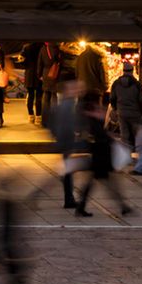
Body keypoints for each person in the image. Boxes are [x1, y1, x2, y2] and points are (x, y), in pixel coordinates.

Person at [75, 91, 130, 218]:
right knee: (107, 182)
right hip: (101, 152)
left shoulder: (90, 114)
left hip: (100, 152)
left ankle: (123, 206)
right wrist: (113, 141)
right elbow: (100, 134)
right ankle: (123, 206)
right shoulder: (92, 115)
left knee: (100, 182)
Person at [48, 79, 80, 209]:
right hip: (66, 142)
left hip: (64, 141)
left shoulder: (63, 105)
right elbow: (66, 125)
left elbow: (51, 122)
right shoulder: (68, 106)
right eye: (74, 89)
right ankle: (69, 199)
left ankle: (69, 198)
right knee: (67, 172)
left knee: (67, 171)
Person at [108, 62, 142, 154]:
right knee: (138, 135)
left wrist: (116, 109)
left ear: (123, 71)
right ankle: (141, 156)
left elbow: (112, 98)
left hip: (122, 113)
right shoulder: (137, 85)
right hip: (135, 113)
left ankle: (125, 156)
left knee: (124, 135)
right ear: (132, 71)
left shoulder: (116, 83)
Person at [20, 41, 44, 123]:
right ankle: (38, 117)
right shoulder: (42, 46)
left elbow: (22, 61)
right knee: (39, 96)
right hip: (39, 74)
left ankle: (31, 115)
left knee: (30, 95)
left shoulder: (26, 47)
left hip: (29, 74)